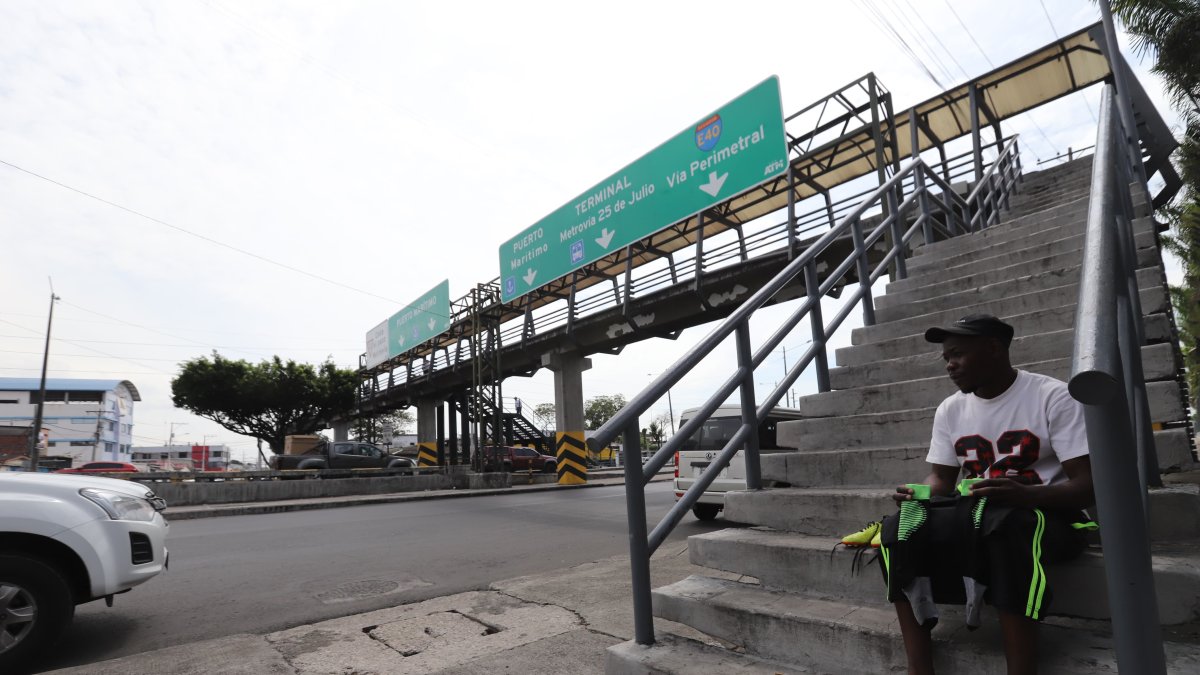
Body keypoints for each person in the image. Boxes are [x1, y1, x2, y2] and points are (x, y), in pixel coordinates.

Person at [880, 313, 1095, 675]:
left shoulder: (1053, 396)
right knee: (897, 527)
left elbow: (1087, 486)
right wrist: (919, 493)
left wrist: (1026, 496)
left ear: (994, 349)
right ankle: (919, 669)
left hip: (1050, 515)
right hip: (981, 513)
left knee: (1006, 528)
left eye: (958, 354)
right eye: (946, 357)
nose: (949, 365)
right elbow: (941, 479)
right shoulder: (950, 408)